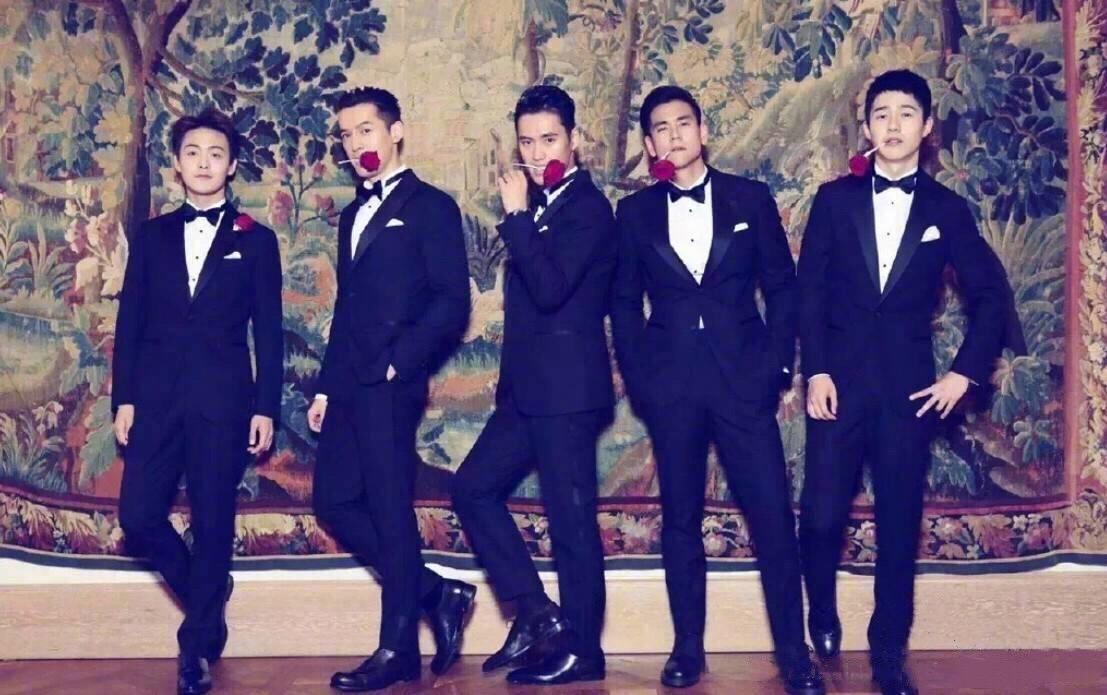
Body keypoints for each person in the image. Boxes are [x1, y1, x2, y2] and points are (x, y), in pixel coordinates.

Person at [797, 69, 1006, 695]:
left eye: (906, 113)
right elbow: (809, 294)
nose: (892, 125)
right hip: (837, 388)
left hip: (908, 395)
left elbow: (991, 296)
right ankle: (821, 611)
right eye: (881, 114)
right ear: (866, 126)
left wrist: (964, 373)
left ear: (927, 126)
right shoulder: (834, 201)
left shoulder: (947, 209)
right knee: (821, 518)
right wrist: (816, 371)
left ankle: (888, 653)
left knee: (898, 524)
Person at [611, 85, 824, 694]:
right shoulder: (634, 214)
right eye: (661, 128)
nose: (674, 135)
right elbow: (623, 303)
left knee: (772, 518)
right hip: (671, 389)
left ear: (702, 131)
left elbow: (782, 288)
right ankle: (687, 650)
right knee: (680, 520)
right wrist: (642, 380)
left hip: (744, 385)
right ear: (650, 143)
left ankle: (795, 655)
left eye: (683, 123)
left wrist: (777, 369)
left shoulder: (749, 198)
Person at [307, 86, 474, 691]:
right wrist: (327, 388)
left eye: (366, 130)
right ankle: (435, 592)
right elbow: (347, 310)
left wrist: (399, 364)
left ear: (395, 131)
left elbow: (452, 302)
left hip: (392, 383)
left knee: (387, 506)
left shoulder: (432, 207)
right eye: (346, 135)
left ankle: (396, 650)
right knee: (333, 502)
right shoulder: (353, 214)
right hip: (349, 383)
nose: (357, 144)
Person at [113, 107, 284, 695]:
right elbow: (130, 324)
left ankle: (195, 652)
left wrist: (266, 407)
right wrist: (124, 398)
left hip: (224, 403)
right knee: (138, 516)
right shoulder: (151, 236)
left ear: (231, 166)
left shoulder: (257, 241)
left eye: (216, 154)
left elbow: (270, 332)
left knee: (213, 524)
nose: (204, 163)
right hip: (156, 401)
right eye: (193, 153)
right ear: (178, 164)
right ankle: (208, 596)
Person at [451, 84, 617, 686]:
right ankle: (536, 614)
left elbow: (549, 290)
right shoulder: (542, 205)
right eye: (527, 142)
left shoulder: (589, 210)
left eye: (550, 139)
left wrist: (517, 216)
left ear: (575, 140)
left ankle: (585, 652)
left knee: (571, 522)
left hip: (568, 395)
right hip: (527, 394)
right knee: (472, 489)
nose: (538, 151)